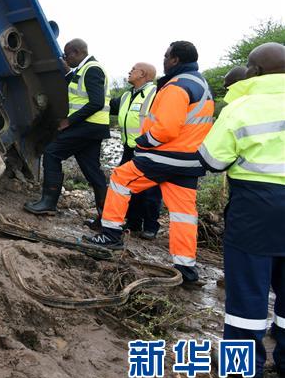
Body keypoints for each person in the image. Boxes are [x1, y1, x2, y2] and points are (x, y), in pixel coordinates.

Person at [86, 41, 214, 283]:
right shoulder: (202, 84)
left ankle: (111, 234)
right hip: (188, 162)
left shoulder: (177, 86)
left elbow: (165, 129)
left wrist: (143, 142)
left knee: (120, 180)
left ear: (175, 60)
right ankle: (186, 268)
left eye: (166, 56)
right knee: (183, 215)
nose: (164, 60)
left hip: (164, 156)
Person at [198, 42, 285, 378]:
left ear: (257, 72)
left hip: (256, 206)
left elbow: (212, 160)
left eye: (249, 67)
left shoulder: (241, 107)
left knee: (248, 289)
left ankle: (245, 369)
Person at [25, 38, 110, 217]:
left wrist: (69, 121)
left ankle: (48, 203)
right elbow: (80, 89)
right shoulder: (85, 69)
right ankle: (107, 218)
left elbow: (96, 102)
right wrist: (67, 72)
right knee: (92, 171)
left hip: (87, 126)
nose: (65, 58)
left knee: (52, 153)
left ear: (76, 52)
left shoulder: (92, 69)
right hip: (92, 127)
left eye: (66, 54)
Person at [106, 62, 162, 240]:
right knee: (128, 185)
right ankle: (133, 222)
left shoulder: (155, 94)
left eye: (133, 70)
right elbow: (108, 106)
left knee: (151, 189)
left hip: (149, 148)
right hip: (129, 148)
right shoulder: (127, 95)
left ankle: (151, 226)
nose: (129, 72)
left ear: (143, 74)